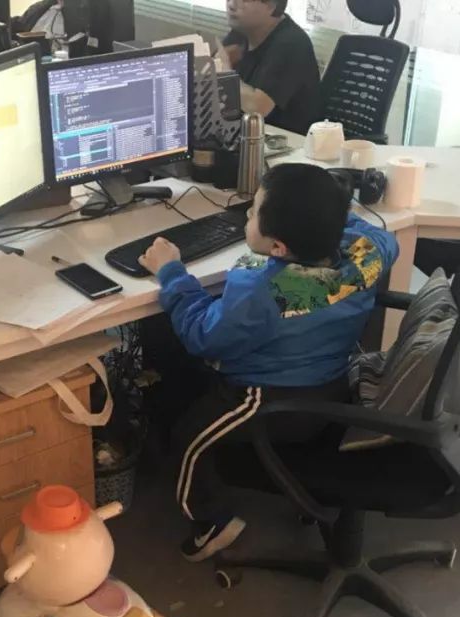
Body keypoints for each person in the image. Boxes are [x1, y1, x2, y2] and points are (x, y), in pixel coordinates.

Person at [137, 164, 399, 561]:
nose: (247, 214)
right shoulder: (367, 257)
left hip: (267, 399)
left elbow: (202, 336)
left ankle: (211, 521)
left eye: (254, 211)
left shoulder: (264, 290)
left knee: (189, 437)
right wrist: (324, 211)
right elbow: (383, 238)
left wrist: (171, 271)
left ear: (278, 247)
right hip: (332, 385)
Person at [221, 0, 321, 135]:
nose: (232, 4)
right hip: (245, 133)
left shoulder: (292, 44)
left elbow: (257, 109)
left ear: (271, 6)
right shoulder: (242, 31)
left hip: (286, 140)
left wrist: (225, 73)